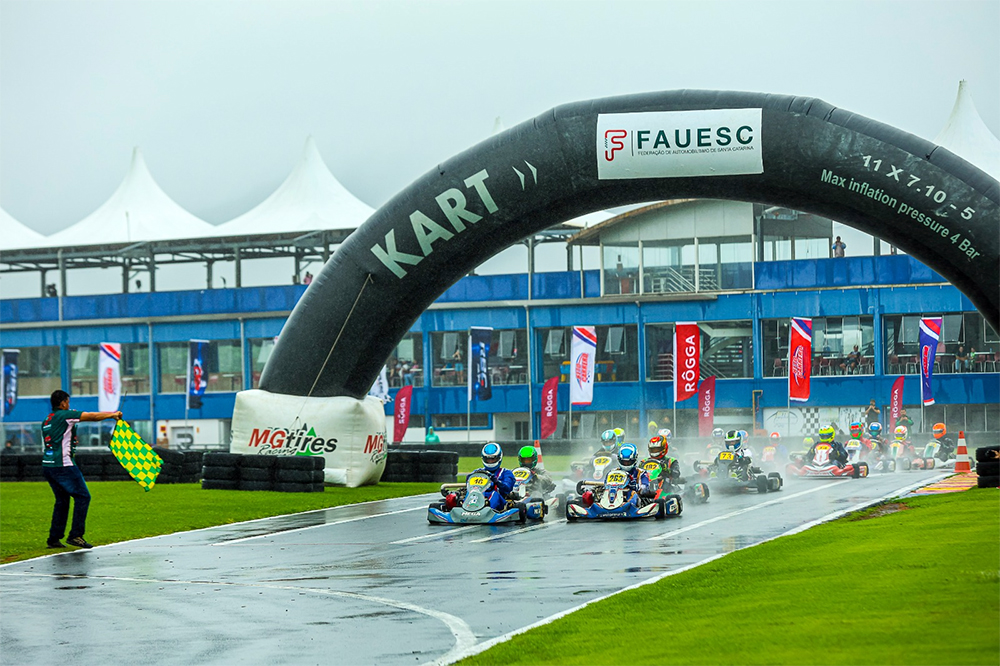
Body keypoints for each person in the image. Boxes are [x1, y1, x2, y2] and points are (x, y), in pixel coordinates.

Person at [41, 390, 122, 549]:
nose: (69, 405)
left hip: (48, 465)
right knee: (83, 497)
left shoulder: (47, 419)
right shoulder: (65, 415)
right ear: (63, 403)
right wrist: (112, 415)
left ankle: (54, 538)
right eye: (68, 402)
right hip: (63, 464)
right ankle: (76, 535)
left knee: (62, 501)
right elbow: (91, 416)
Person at [476, 442, 515, 510]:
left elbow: (507, 488)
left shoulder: (506, 473)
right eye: (488, 459)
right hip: (479, 499)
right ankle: (466, 509)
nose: (490, 462)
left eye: (493, 459)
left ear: (499, 458)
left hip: (500, 502)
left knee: (494, 494)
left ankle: (487, 510)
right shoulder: (478, 472)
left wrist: (497, 482)